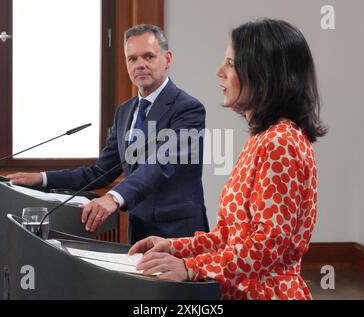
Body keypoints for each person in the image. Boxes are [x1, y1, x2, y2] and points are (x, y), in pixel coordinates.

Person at [128, 19, 327, 300]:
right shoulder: (262, 138)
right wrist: (174, 247)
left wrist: (189, 267)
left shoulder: (280, 143)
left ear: (263, 74)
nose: (219, 72)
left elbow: (266, 247)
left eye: (231, 63)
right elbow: (229, 236)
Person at [8, 24, 209, 244]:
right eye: (132, 59)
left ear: (167, 59)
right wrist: (42, 178)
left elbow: (161, 164)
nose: (140, 64)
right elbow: (100, 172)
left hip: (178, 231)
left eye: (148, 56)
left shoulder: (188, 108)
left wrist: (113, 197)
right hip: (139, 231)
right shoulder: (124, 112)